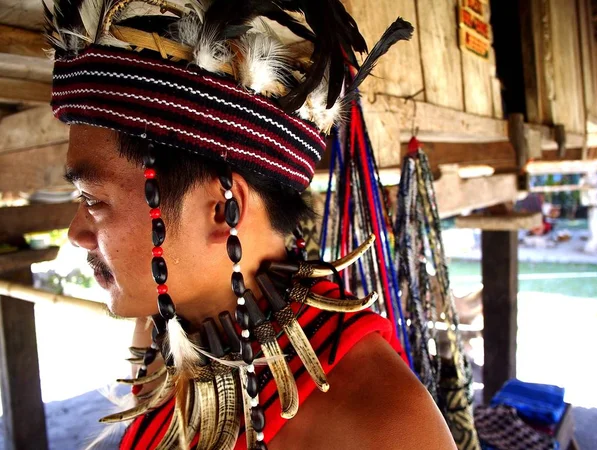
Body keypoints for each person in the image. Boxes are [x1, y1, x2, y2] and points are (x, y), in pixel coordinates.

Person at [48, 0, 456, 448]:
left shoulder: (383, 425)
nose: (76, 233)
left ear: (225, 211)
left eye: (93, 199)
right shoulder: (165, 330)